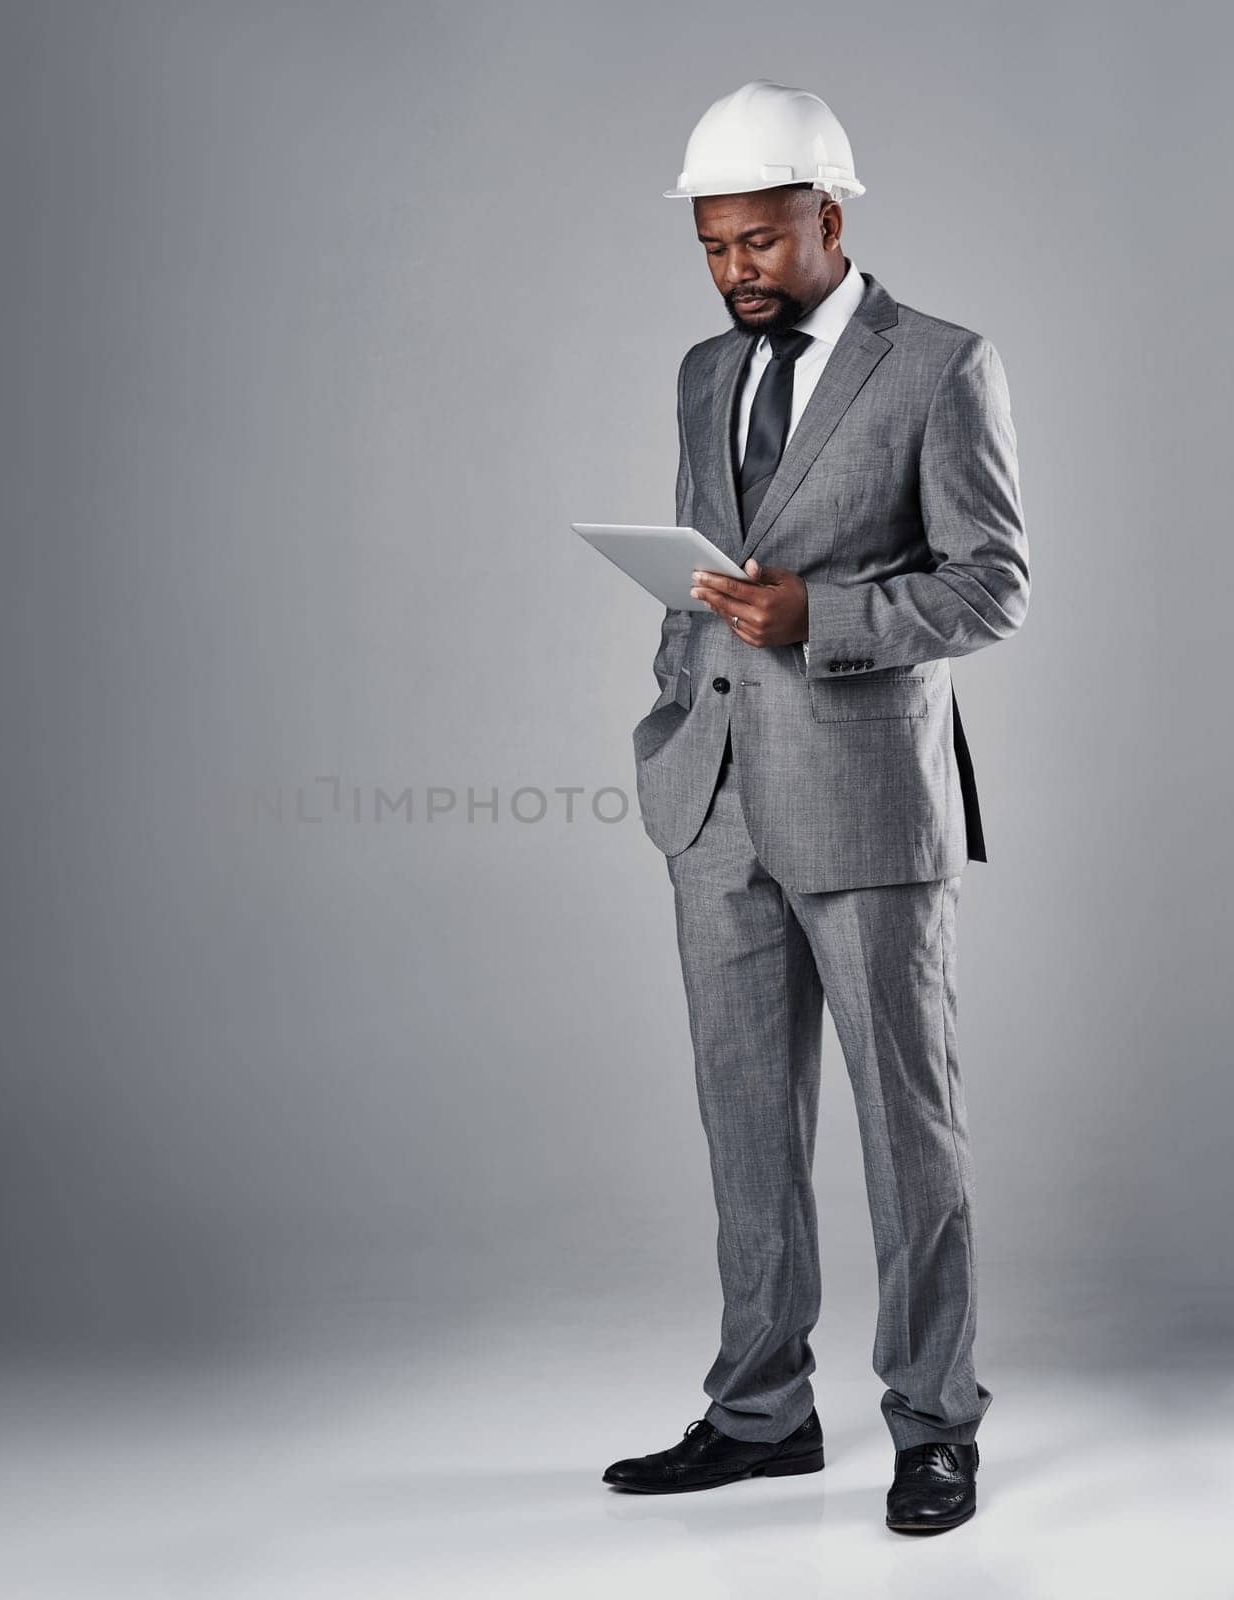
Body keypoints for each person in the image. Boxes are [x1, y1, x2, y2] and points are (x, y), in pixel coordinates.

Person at [600, 80, 1030, 1535]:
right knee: (746, 1127)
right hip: (713, 797)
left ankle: (934, 1423)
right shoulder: (700, 374)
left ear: (829, 218)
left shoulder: (941, 367)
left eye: (760, 242)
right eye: (714, 246)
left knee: (911, 1127)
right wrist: (681, 685)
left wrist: (819, 615)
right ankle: (759, 1411)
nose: (735, 272)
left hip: (863, 802)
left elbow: (993, 583)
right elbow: (712, 568)